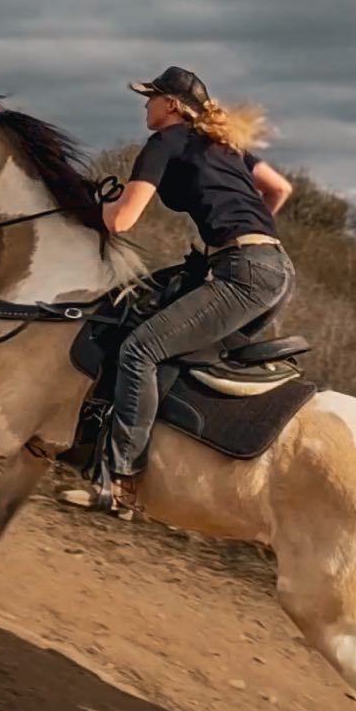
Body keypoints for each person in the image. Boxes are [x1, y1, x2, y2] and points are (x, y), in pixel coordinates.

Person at [68, 66, 296, 516]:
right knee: (182, 357)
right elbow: (280, 188)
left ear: (171, 105)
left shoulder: (163, 143)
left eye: (151, 97)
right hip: (277, 270)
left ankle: (122, 484)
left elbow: (121, 220)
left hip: (243, 274)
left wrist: (81, 205)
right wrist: (248, 231)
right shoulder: (226, 145)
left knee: (140, 350)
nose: (145, 105)